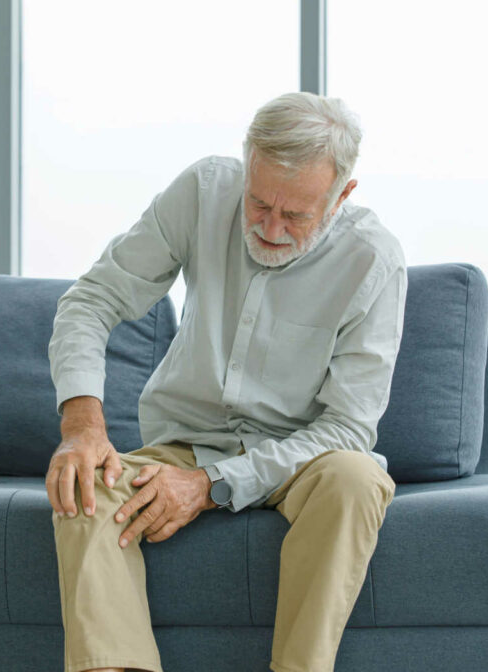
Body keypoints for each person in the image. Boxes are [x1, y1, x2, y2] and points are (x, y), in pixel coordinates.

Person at [45, 91, 405, 672]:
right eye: (258, 203)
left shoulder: (374, 261)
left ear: (342, 197)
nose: (269, 227)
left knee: (357, 478)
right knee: (85, 486)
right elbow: (92, 299)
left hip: (301, 459)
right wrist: (81, 423)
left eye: (296, 216)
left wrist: (210, 484)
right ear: (246, 165)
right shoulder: (202, 192)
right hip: (183, 439)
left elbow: (347, 427)